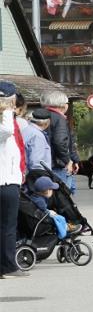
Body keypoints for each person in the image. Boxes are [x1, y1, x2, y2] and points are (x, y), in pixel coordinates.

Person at [0, 81, 28, 277]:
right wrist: (8, 110)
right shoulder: (6, 126)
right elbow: (7, 131)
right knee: (8, 227)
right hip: (5, 182)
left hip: (9, 180)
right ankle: (8, 266)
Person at [41, 89, 80, 193]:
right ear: (63, 105)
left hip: (45, 164)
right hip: (58, 166)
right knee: (62, 197)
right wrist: (68, 160)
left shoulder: (41, 117)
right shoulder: (59, 119)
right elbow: (60, 142)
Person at [25, 175, 72, 239]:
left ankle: (66, 227)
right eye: (51, 189)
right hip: (41, 220)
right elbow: (44, 211)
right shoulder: (40, 201)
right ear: (47, 191)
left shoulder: (35, 196)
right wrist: (51, 213)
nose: (52, 191)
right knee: (60, 218)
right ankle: (64, 230)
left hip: (37, 217)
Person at [24, 108, 54, 172]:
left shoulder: (26, 130)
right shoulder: (37, 136)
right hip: (36, 176)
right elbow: (36, 163)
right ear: (47, 122)